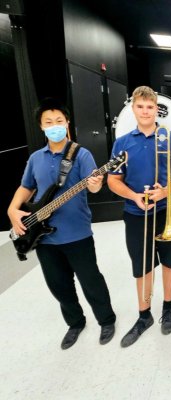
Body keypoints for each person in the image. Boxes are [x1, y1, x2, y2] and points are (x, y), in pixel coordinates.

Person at [7, 98, 116, 349]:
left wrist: (96, 184)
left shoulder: (81, 154)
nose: (54, 125)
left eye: (59, 121)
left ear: (67, 123)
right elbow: (26, 187)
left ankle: (106, 319)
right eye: (49, 122)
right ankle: (75, 323)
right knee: (58, 284)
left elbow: (95, 184)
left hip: (77, 233)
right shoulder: (36, 158)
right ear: (41, 127)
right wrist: (12, 209)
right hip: (44, 238)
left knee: (91, 280)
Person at [107, 86, 171, 347]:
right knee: (142, 266)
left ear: (157, 109)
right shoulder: (122, 143)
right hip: (136, 212)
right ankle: (144, 314)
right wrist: (134, 196)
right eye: (140, 106)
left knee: (169, 260)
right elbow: (113, 180)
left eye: (150, 107)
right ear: (133, 109)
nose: (145, 111)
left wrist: (165, 191)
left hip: (169, 208)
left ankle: (168, 306)